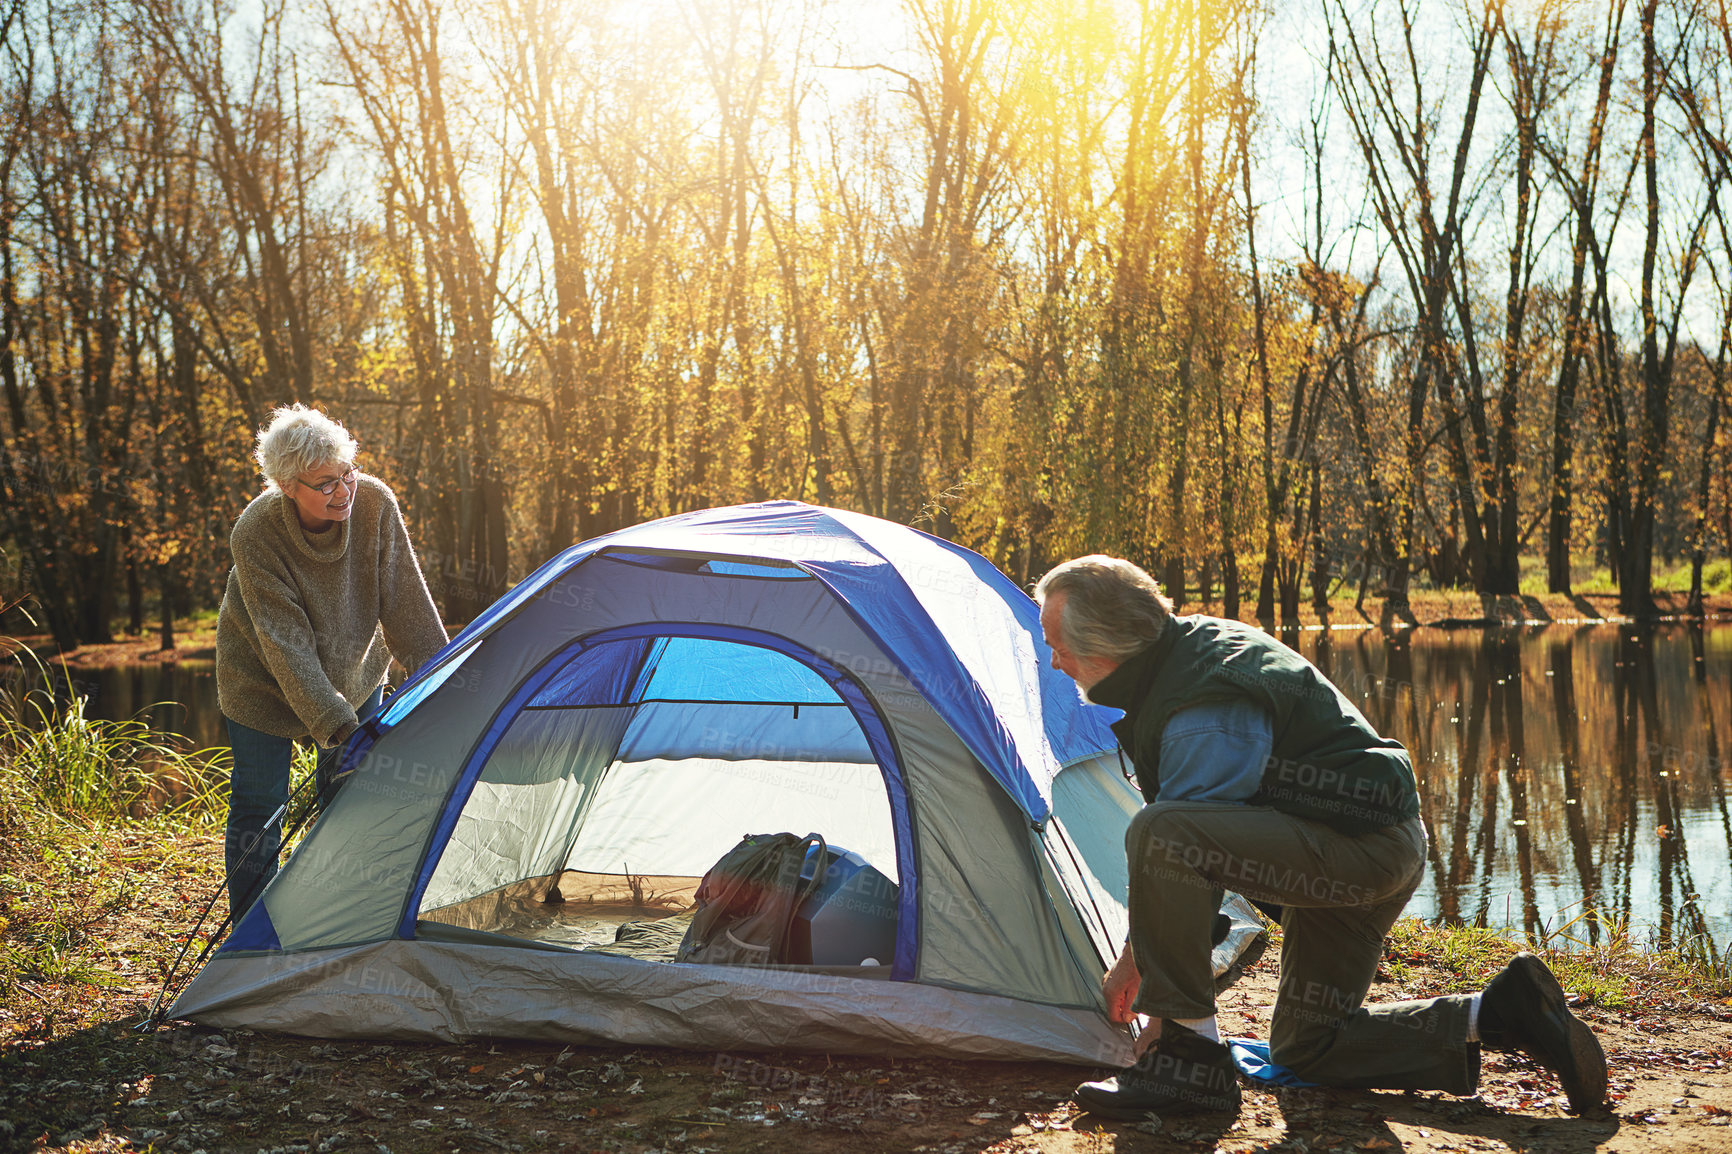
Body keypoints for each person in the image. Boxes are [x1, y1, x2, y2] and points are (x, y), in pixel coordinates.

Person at [1033, 556, 1606, 1119]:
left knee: (1161, 831)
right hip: (1365, 844)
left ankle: (1190, 1067)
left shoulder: (1203, 707)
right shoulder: (1188, 650)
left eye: (1061, 647)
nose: (1057, 664)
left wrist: (1157, 1008)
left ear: (1107, 642)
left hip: (1358, 852)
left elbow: (1184, 856)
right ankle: (1504, 1013)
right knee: (1308, 1045)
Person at [216, 404, 448, 918]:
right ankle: (252, 941)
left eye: (348, 474)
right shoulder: (255, 532)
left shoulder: (373, 506)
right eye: (325, 484)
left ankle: (335, 921)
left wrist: (445, 688)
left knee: (349, 801)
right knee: (260, 806)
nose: (343, 492)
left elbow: (408, 606)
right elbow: (285, 645)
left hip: (357, 671)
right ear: (286, 485)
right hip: (262, 682)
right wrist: (341, 727)